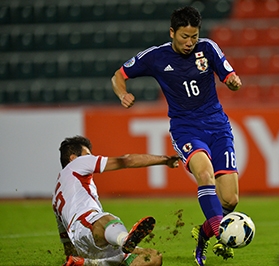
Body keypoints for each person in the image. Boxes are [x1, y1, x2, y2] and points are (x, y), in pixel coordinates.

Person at [111, 6, 242, 266]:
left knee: (231, 199)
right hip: (187, 128)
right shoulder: (155, 57)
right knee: (204, 175)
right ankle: (219, 236)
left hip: (218, 126)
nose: (189, 42)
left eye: (194, 36)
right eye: (184, 36)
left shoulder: (208, 49)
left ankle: (203, 235)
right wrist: (122, 94)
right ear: (172, 32)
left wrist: (233, 81)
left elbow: (229, 74)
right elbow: (119, 75)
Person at [52, 135, 180, 266]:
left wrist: (71, 257)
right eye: (88, 155)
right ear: (73, 158)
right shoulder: (77, 164)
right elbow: (126, 160)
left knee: (153, 257)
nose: (91, 157)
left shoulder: (56, 196)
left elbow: (65, 239)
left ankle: (89, 263)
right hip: (88, 226)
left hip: (88, 243)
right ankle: (125, 240)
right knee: (108, 219)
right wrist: (165, 160)